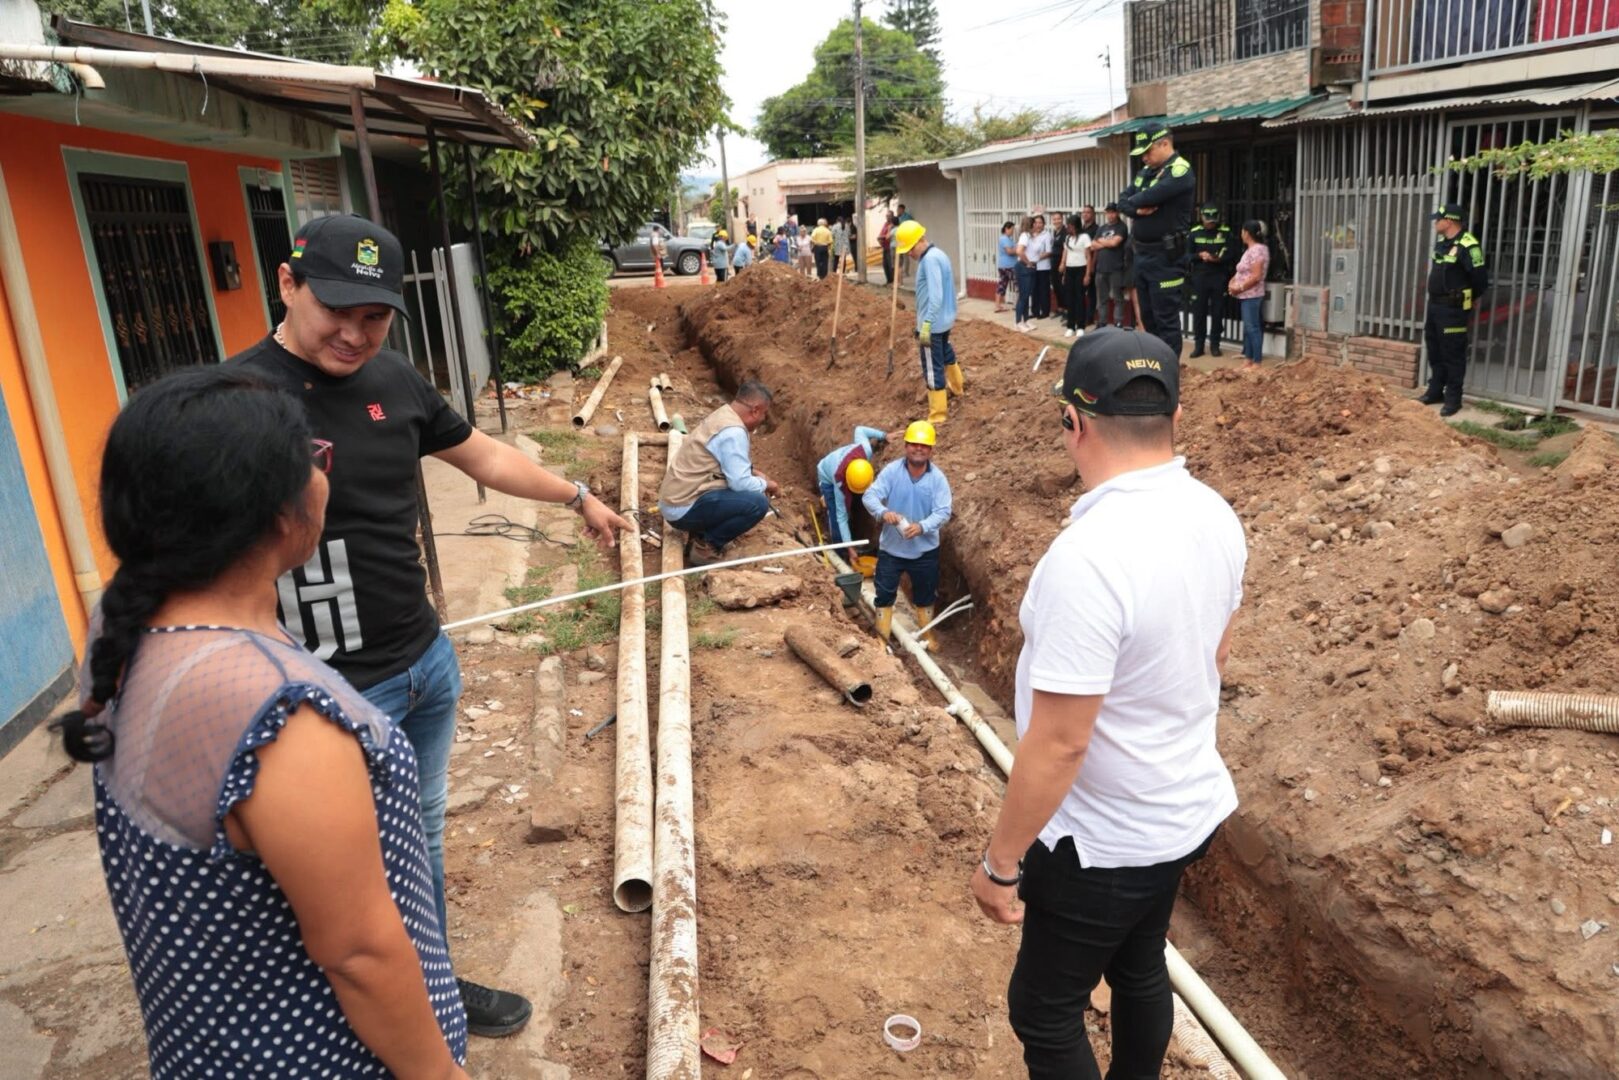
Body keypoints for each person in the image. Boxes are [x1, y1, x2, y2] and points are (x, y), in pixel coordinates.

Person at [234, 214, 632, 1038]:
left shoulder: (394, 379)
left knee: (418, 841)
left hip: (422, 665)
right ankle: (370, 1022)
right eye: (335, 310)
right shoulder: (238, 402)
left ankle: (431, 987)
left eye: (373, 316)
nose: (354, 334)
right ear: (287, 284)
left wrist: (578, 496)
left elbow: (482, 455)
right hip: (328, 689)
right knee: (338, 870)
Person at [58, 365, 471, 1078]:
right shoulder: (285, 718)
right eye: (313, 456)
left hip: (208, 1046)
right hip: (328, 1058)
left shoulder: (124, 629)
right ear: (281, 511)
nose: (323, 470)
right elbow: (359, 953)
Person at [971, 328, 1246, 1080]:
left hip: (1098, 843)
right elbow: (1215, 657)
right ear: (1175, 419)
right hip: (1179, 812)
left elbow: (1061, 742)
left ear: (1073, 420)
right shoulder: (1215, 515)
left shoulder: (1088, 559)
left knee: (1044, 1008)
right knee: (1139, 964)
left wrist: (1000, 863)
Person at [658, 381, 779, 567]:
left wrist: (753, 473)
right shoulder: (733, 432)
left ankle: (699, 535)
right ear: (755, 410)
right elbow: (740, 484)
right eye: (764, 413)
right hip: (681, 508)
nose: (763, 419)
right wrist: (768, 485)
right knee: (757, 503)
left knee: (745, 492)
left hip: (676, 498)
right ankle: (706, 547)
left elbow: (726, 463)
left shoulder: (723, 415)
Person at [861, 419, 953, 648]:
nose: (918, 449)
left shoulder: (937, 479)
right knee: (884, 595)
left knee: (925, 596)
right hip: (892, 549)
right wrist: (883, 512)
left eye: (924, 445)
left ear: (931, 449)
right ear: (906, 446)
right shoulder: (892, 472)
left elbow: (943, 511)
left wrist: (922, 526)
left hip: (925, 551)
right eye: (914, 444)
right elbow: (870, 496)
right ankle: (881, 639)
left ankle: (927, 635)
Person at [1117, 126, 1196, 355]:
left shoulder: (1180, 170)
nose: (1144, 157)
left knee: (1166, 319)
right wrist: (1136, 208)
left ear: (1164, 144)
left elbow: (1148, 196)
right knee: (1147, 317)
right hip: (1142, 255)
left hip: (1166, 258)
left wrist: (1133, 202)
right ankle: (1154, 366)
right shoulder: (1146, 172)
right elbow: (1122, 202)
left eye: (1148, 151)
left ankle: (1169, 370)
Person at [1421, 202, 1489, 416]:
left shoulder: (1469, 245)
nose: (1435, 223)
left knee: (1453, 354)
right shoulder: (1442, 243)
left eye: (1438, 219)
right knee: (1435, 349)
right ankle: (1435, 391)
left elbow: (1480, 279)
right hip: (1435, 306)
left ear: (1449, 221)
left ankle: (1453, 399)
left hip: (1453, 309)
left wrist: (1470, 298)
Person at [898, 220, 965, 424]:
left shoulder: (929, 261)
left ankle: (937, 414)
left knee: (931, 366)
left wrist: (926, 325)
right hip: (944, 321)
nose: (909, 254)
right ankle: (957, 387)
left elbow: (936, 297)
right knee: (946, 353)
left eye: (910, 248)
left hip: (931, 326)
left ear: (920, 240)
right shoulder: (939, 254)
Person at [816, 424, 900, 549]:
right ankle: (839, 549)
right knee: (835, 514)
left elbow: (859, 430)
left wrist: (884, 436)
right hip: (826, 475)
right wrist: (850, 547)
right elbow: (841, 517)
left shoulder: (865, 451)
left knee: (851, 505)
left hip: (840, 468)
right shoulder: (839, 483)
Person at [1187, 204, 1236, 358]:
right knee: (1199, 313)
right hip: (1199, 277)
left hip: (1218, 277)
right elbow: (1186, 256)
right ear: (1201, 217)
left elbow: (1232, 254)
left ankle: (1215, 345)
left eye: (1213, 220)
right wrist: (1199, 256)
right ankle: (1199, 346)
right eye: (1208, 220)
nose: (1210, 223)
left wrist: (1217, 259)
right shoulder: (1194, 233)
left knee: (1217, 312)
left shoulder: (1226, 232)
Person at [1227, 220, 1271, 370]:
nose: (1241, 234)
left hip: (1252, 295)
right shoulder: (1251, 250)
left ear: (1247, 233)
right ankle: (1248, 360)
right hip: (1246, 295)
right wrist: (1233, 281)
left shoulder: (1257, 250)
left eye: (1242, 231)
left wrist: (1239, 288)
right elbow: (1242, 271)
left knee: (1253, 328)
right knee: (1248, 328)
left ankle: (1257, 362)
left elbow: (1256, 276)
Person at [1090, 204, 1130, 329]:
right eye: (1108, 212)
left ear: (1117, 213)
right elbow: (1092, 245)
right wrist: (1106, 243)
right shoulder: (1102, 228)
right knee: (1102, 298)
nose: (1110, 215)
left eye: (1113, 212)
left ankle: (1118, 322)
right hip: (1101, 268)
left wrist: (1101, 241)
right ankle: (1102, 322)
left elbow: (1114, 243)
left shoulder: (1121, 227)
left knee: (1118, 297)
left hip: (1116, 268)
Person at [1059, 213, 1093, 338]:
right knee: (1070, 298)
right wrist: (1063, 266)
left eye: (1070, 225)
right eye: (1068, 225)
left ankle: (1080, 326)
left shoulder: (1084, 237)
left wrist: (1087, 275)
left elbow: (1088, 257)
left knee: (1079, 298)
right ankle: (1070, 326)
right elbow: (1065, 252)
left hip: (1081, 269)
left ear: (1076, 225)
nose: (1068, 227)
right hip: (1069, 270)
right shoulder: (1068, 238)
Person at [1028, 214, 1054, 321]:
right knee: (1034, 290)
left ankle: (1045, 311)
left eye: (1040, 223)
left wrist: (1035, 258)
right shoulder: (1031, 235)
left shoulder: (1047, 235)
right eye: (1036, 223)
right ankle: (1035, 311)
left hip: (1043, 267)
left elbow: (1048, 252)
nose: (1038, 225)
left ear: (1044, 224)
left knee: (1043, 290)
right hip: (1033, 267)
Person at [1013, 215, 1036, 332]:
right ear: (1030, 225)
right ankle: (1018, 322)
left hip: (1028, 268)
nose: (1037, 225)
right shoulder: (1025, 236)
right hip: (1023, 268)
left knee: (1027, 296)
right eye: (1035, 223)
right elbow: (1019, 251)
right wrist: (1028, 263)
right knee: (1023, 296)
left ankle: (1025, 320)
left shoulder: (1029, 236)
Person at [996, 221, 1019, 314]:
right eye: (1012, 229)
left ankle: (998, 305)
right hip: (1010, 266)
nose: (1013, 231)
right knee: (1017, 285)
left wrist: (1015, 248)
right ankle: (1017, 305)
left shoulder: (1008, 239)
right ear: (1006, 229)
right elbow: (1009, 251)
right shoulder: (1004, 239)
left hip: (1003, 265)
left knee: (1002, 284)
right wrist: (1018, 250)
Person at [880, 210, 898, 284]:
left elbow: (889, 236)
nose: (887, 217)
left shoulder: (893, 225)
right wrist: (880, 237)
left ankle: (892, 281)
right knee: (885, 265)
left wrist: (883, 237)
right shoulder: (885, 224)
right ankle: (888, 280)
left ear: (892, 216)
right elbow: (882, 233)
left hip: (890, 247)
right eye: (886, 216)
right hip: (885, 247)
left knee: (891, 265)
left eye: (888, 216)